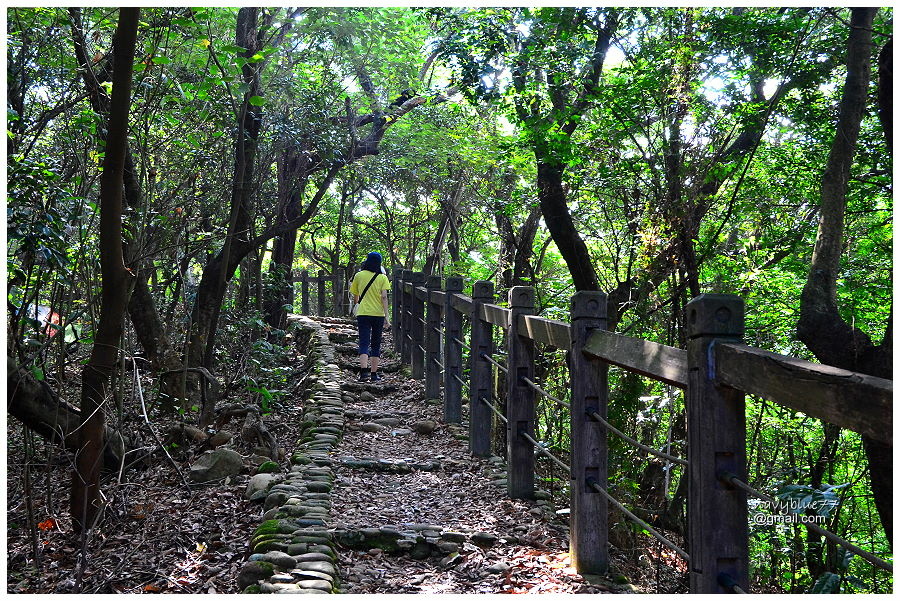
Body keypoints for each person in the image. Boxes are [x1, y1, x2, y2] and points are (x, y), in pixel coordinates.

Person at [349, 252, 391, 381]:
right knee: (376, 344)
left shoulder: (359, 275)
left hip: (363, 313)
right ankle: (374, 374)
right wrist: (387, 317)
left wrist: (358, 305)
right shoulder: (383, 278)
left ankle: (363, 373)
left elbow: (355, 296)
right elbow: (384, 297)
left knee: (364, 342)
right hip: (378, 314)